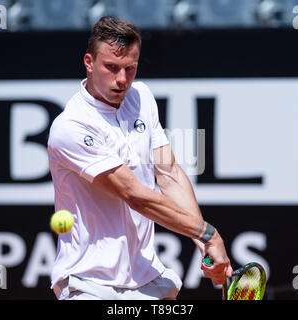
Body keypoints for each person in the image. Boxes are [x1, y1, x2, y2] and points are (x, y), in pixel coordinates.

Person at [47, 16, 232, 300]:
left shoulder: (141, 97)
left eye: (130, 68)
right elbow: (135, 195)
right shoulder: (71, 126)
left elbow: (168, 174)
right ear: (89, 62)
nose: (122, 80)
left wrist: (201, 241)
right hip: (88, 284)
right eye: (111, 67)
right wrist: (209, 234)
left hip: (146, 279)